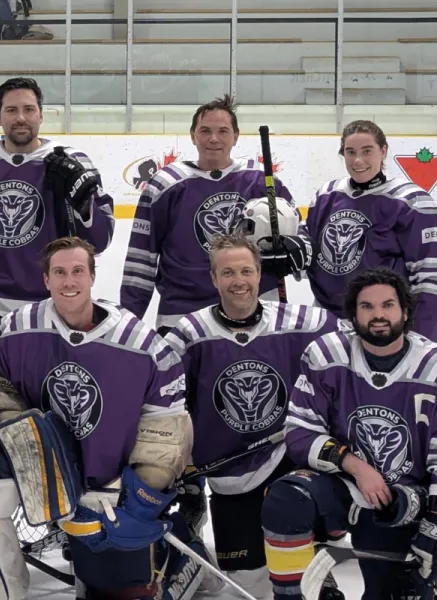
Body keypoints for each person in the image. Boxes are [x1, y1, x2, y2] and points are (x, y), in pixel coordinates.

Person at [0, 236, 206, 600]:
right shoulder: (13, 330)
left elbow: (167, 424)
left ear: (93, 277)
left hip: (114, 492)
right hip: (56, 485)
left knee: (123, 592)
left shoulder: (141, 344)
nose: (69, 282)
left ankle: (179, 546)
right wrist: (24, 441)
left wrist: (140, 496)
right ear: (46, 280)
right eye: (60, 273)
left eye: (78, 271)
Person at [261, 268, 437, 600]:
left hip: (403, 500)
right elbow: (300, 433)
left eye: (387, 305)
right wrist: (358, 468)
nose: (378, 315)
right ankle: (301, 594)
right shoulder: (327, 355)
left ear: (405, 311)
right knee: (286, 499)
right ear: (352, 314)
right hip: (344, 485)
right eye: (367, 307)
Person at [162, 232, 338, 598]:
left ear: (260, 274)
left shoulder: (301, 323)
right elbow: (164, 400)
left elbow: (356, 339)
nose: (238, 281)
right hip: (229, 474)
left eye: (246, 271)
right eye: (227, 273)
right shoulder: (190, 333)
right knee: (249, 587)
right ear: (213, 279)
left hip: (286, 460)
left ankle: (318, 553)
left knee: (301, 570)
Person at [0, 77, 116, 406]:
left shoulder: (71, 161)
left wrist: (84, 202)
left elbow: (99, 241)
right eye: (11, 110)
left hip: (51, 306)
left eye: (29, 109)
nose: (21, 118)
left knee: (46, 408)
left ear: (42, 115)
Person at [120, 93, 312, 334]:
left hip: (257, 311)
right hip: (184, 313)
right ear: (192, 136)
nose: (213, 139)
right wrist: (128, 320)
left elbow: (300, 233)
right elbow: (141, 257)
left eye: (222, 131)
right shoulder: (165, 183)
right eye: (204, 131)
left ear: (236, 136)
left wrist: (292, 249)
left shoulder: (260, 180)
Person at [307, 119, 437, 341]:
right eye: (350, 152)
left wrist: (421, 342)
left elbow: (430, 280)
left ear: (383, 151)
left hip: (380, 324)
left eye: (367, 151)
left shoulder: (411, 201)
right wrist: (293, 244)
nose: (358, 160)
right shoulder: (327, 194)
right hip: (327, 324)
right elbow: (308, 239)